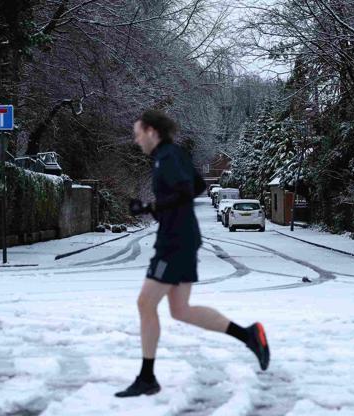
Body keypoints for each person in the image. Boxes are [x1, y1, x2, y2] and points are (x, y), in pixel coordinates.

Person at [115, 110, 270, 398]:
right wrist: (154, 208)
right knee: (180, 310)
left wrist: (153, 208)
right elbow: (199, 185)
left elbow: (187, 190)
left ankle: (147, 377)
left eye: (138, 133)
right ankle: (248, 336)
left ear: (151, 131)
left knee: (145, 303)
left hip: (174, 242)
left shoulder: (166, 157)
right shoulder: (174, 154)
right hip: (183, 238)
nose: (136, 140)